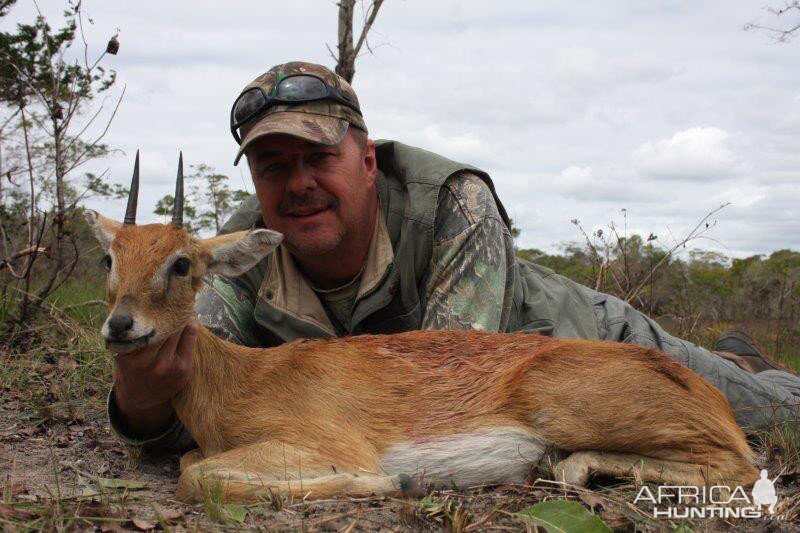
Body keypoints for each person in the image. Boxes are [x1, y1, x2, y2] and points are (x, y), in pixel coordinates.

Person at [107, 61, 800, 453]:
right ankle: (745, 353)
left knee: (768, 412)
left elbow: (453, 370)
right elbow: (194, 379)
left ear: (368, 160)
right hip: (427, 387)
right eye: (272, 164)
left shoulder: (452, 200)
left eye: (318, 156)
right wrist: (140, 400)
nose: (298, 183)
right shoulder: (228, 250)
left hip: (572, 348)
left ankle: (752, 370)